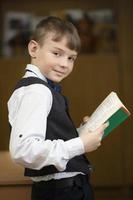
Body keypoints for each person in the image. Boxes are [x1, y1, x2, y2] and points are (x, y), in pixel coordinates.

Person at [8, 16, 108, 200]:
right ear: (34, 49)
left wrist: (79, 134)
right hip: (61, 192)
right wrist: (80, 144)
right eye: (57, 53)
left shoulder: (42, 89)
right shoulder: (36, 91)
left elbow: (47, 137)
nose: (64, 64)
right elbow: (23, 150)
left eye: (71, 58)